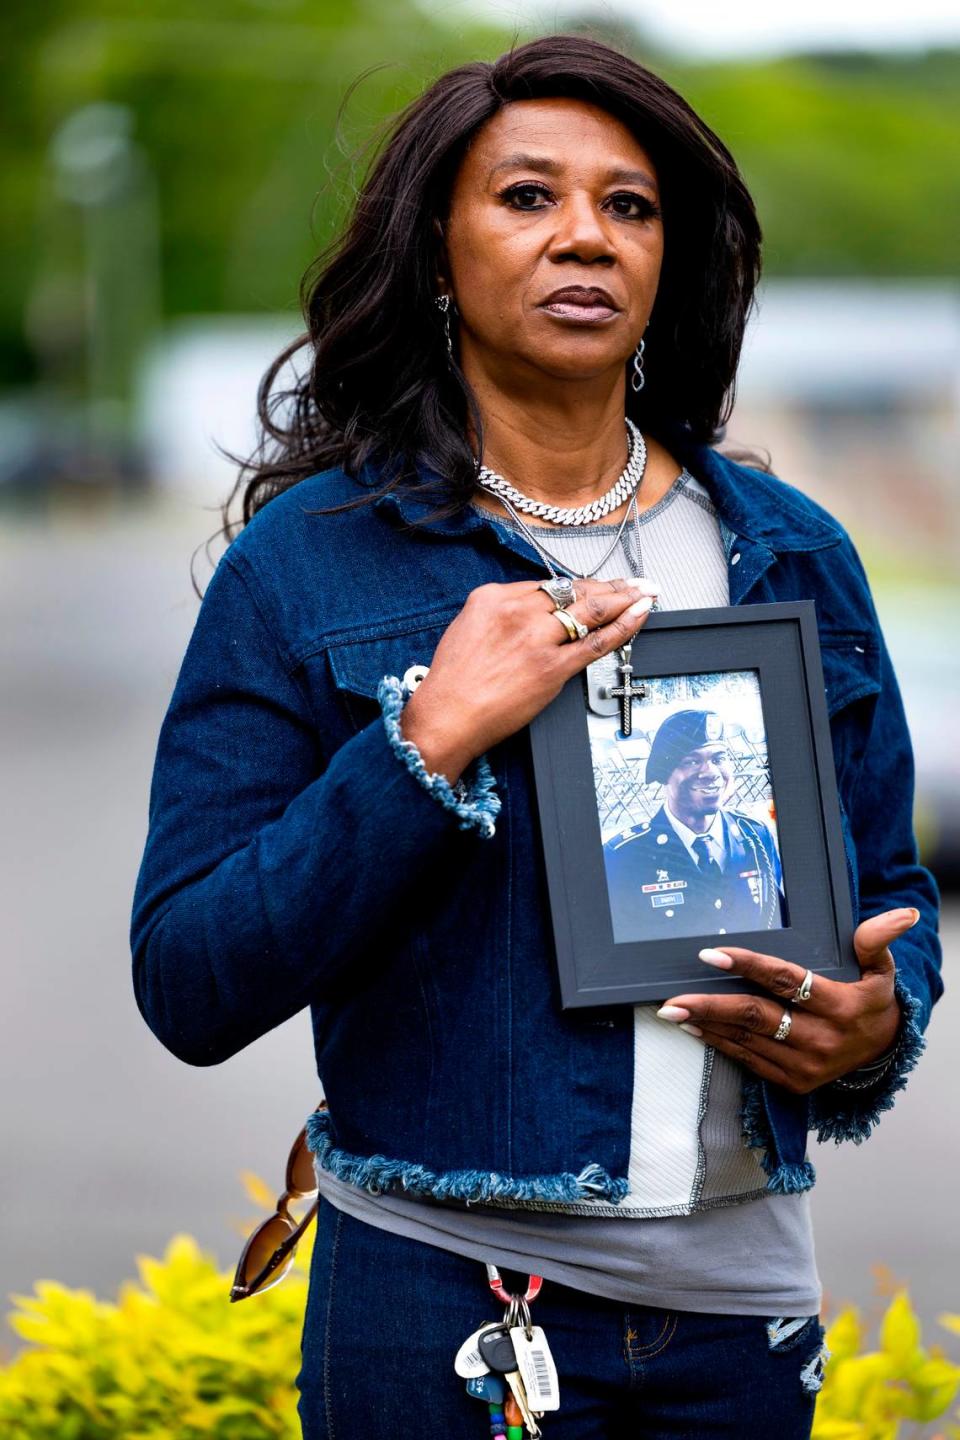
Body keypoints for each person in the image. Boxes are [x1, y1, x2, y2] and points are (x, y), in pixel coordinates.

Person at [130, 34, 941, 1440]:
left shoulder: (794, 554)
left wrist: (877, 1023)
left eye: (632, 206)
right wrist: (422, 746)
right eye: (526, 196)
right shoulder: (310, 568)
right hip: (441, 1300)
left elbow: (889, 898)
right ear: (437, 253)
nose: (586, 234)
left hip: (743, 1318)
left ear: (672, 260)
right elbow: (190, 980)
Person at [604, 708, 784, 940]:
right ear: (664, 773)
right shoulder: (624, 856)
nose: (710, 772)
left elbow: (777, 924)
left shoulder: (756, 836)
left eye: (719, 759)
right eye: (691, 761)